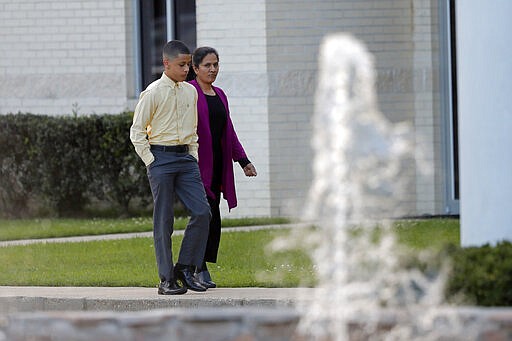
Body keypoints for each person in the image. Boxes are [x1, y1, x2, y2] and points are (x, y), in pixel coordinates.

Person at [130, 40, 211, 295]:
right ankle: (166, 280)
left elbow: (193, 129)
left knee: (202, 212)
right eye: (182, 65)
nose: (187, 69)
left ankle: (185, 268)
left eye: (188, 64)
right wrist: (151, 161)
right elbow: (136, 131)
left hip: (186, 160)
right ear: (166, 64)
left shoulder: (191, 91)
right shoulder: (152, 92)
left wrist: (193, 156)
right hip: (160, 160)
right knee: (164, 221)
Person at [188, 46, 257, 288]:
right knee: (203, 215)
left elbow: (229, 130)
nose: (213, 69)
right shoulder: (190, 93)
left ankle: (201, 264)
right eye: (207, 65)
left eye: (216, 64)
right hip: (197, 165)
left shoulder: (220, 94)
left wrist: (243, 160)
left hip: (219, 165)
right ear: (195, 68)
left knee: (213, 215)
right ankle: (197, 267)